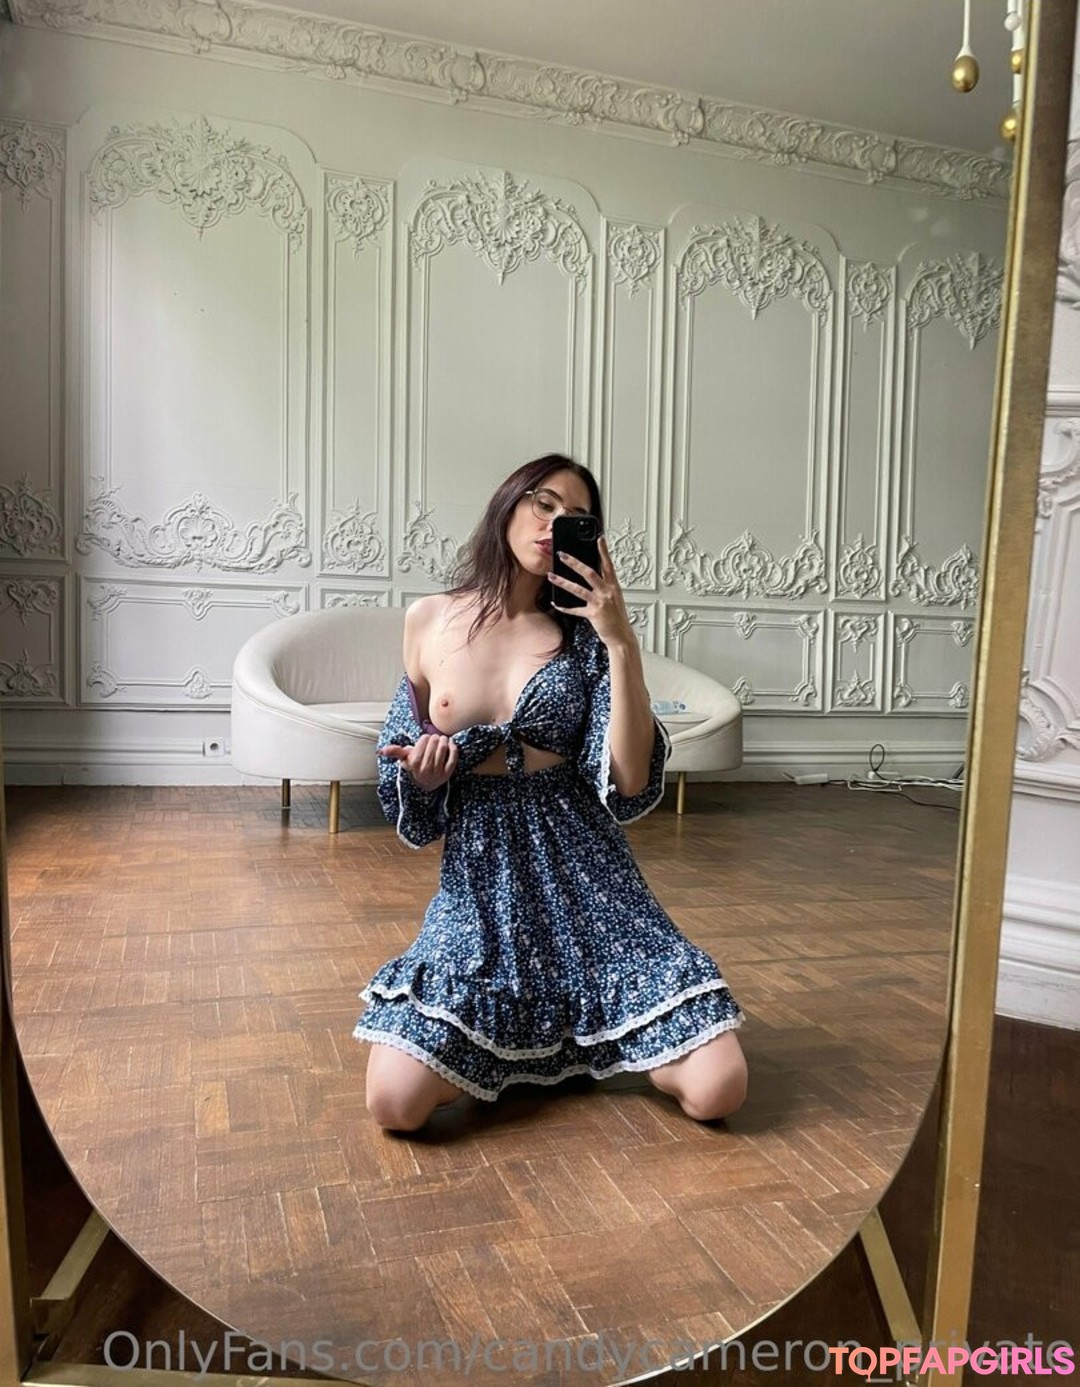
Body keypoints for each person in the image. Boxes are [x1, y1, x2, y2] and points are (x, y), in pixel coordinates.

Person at [354, 454, 747, 1131]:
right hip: (482, 881)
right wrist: (424, 774)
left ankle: (568, 1043)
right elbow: (403, 770)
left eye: (576, 516)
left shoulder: (586, 637)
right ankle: (519, 1046)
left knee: (721, 1089)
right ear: (507, 503)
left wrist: (621, 642)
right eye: (544, 503)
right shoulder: (428, 620)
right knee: (394, 1101)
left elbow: (629, 780)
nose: (554, 522)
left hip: (587, 870)